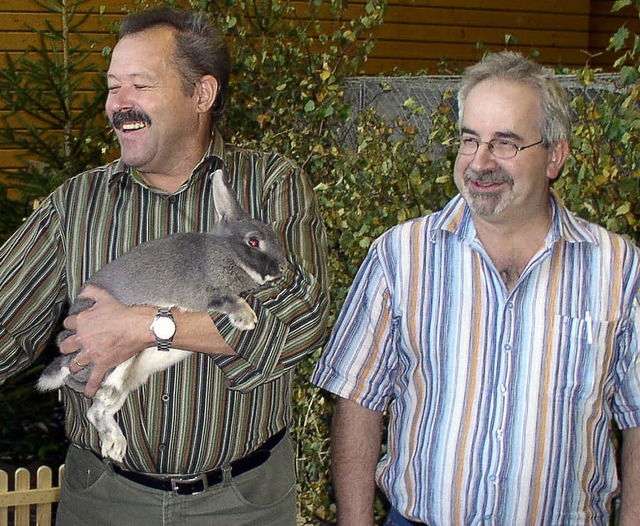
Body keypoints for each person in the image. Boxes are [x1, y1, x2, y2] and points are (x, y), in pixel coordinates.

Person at [0, 7, 328, 526]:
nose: (118, 104)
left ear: (201, 94)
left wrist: (144, 326)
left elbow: (296, 323)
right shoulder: (76, 206)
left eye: (139, 84)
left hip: (242, 503)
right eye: (112, 87)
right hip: (104, 500)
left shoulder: (270, 187)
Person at [312, 50, 640, 525]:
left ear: (555, 156)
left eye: (505, 143)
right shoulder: (402, 255)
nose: (480, 162)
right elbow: (357, 401)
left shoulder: (617, 269)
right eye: (470, 140)